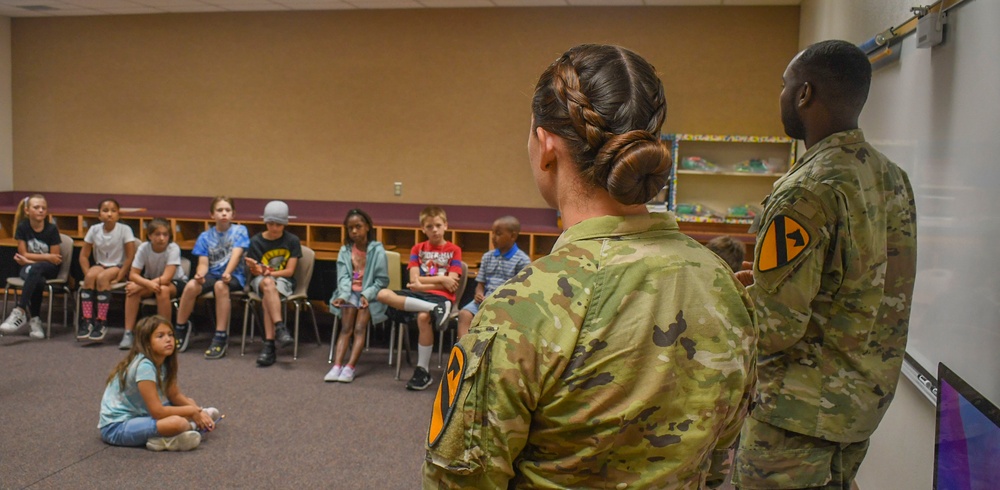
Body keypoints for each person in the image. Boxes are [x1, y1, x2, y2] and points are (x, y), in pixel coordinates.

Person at [423, 44, 757, 488]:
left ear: (546, 147)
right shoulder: (722, 283)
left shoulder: (522, 310)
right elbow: (719, 456)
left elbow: (459, 480)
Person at [731, 40, 917, 490]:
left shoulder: (806, 190)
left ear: (804, 94)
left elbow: (776, 327)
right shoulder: (891, 177)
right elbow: (863, 281)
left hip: (796, 417)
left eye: (784, 85)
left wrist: (737, 297)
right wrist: (765, 283)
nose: (781, 95)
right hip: (859, 407)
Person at [98, 314, 219, 451]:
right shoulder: (144, 367)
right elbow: (157, 412)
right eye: (160, 336)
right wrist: (192, 411)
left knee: (188, 401)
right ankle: (192, 427)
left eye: (170, 335)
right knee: (177, 422)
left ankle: (170, 436)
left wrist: (198, 410)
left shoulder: (164, 361)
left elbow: (174, 395)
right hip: (116, 426)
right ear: (147, 343)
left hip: (141, 414)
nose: (168, 340)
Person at [375, 205, 462, 391]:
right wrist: (442, 279)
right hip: (421, 296)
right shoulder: (417, 249)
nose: (435, 230)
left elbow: (452, 283)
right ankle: (434, 310)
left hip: (442, 298)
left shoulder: (454, 250)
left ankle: (422, 370)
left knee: (423, 318)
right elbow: (414, 280)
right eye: (429, 226)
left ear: (446, 225)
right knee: (383, 294)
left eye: (438, 225)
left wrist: (427, 283)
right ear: (423, 228)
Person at [173, 196, 249, 360]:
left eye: (227, 210)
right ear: (211, 214)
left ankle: (220, 335)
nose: (224, 214)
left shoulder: (240, 231)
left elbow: (236, 256)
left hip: (234, 276)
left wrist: (227, 273)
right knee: (191, 285)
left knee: (220, 287)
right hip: (212, 275)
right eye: (220, 210)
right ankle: (180, 327)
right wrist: (200, 274)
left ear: (233, 214)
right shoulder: (205, 237)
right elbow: (203, 263)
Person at [325, 208, 389, 382]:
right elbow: (343, 278)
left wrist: (366, 295)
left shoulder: (377, 251)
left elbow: (382, 281)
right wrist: (344, 296)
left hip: (370, 294)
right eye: (350, 228)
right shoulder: (345, 251)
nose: (354, 231)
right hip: (349, 292)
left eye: (358, 227)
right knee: (346, 328)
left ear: (367, 227)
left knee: (360, 328)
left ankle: (350, 367)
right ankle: (337, 366)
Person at [243, 200, 301, 367]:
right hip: (260, 281)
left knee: (269, 293)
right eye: (270, 223)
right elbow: (255, 272)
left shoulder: (292, 241)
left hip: (283, 280)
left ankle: (269, 346)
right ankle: (280, 328)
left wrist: (269, 273)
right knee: (268, 284)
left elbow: (289, 271)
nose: (274, 228)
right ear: (265, 222)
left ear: (285, 224)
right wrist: (255, 269)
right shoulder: (256, 241)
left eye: (279, 224)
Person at [455, 215, 530, 338]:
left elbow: (522, 291)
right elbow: (481, 283)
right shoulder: (487, 257)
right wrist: (478, 294)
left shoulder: (522, 260)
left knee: (493, 318)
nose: (493, 238)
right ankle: (464, 352)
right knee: (464, 314)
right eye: (493, 233)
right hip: (485, 300)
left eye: (498, 234)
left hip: (506, 304)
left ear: (513, 236)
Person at [0, 194, 62, 339]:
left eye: (43, 208)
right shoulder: (23, 227)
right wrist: (45, 257)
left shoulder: (51, 229)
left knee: (36, 270)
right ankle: (35, 321)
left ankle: (20, 311)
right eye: (36, 207)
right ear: (27, 211)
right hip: (31, 269)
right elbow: (23, 253)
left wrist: (30, 261)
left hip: (50, 269)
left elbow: (56, 259)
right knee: (37, 279)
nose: (41, 210)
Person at [122, 218, 189, 351]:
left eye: (165, 234)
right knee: (132, 290)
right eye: (157, 234)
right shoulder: (143, 248)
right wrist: (145, 285)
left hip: (175, 282)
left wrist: (142, 285)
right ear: (150, 235)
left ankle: (165, 333)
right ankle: (128, 332)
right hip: (151, 281)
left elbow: (167, 277)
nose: (161, 238)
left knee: (162, 290)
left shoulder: (173, 248)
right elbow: (133, 274)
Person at [78, 198, 138, 342]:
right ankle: (87, 319)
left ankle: (101, 321)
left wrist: (120, 277)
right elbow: (83, 256)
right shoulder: (94, 229)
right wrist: (88, 275)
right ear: (99, 215)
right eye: (105, 211)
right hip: (101, 264)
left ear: (118, 214)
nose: (109, 214)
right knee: (93, 275)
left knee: (103, 278)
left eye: (113, 211)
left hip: (118, 266)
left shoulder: (125, 230)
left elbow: (130, 257)